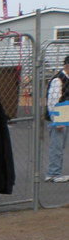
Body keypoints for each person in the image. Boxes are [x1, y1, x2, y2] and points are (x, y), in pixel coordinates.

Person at [45, 55, 69, 183]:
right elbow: (52, 101)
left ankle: (55, 172)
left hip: (66, 114)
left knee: (60, 145)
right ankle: (53, 173)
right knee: (57, 146)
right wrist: (56, 120)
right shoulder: (58, 80)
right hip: (60, 116)